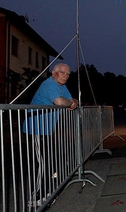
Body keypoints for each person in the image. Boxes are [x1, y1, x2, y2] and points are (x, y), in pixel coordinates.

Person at [23, 63, 78, 207]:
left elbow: (73, 102)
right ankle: (35, 200)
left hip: (46, 129)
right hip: (35, 129)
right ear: (54, 73)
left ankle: (46, 194)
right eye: (62, 72)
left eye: (68, 73)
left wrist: (71, 102)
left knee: (49, 161)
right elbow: (61, 102)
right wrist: (69, 103)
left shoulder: (61, 86)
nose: (65, 76)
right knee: (43, 163)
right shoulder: (49, 84)